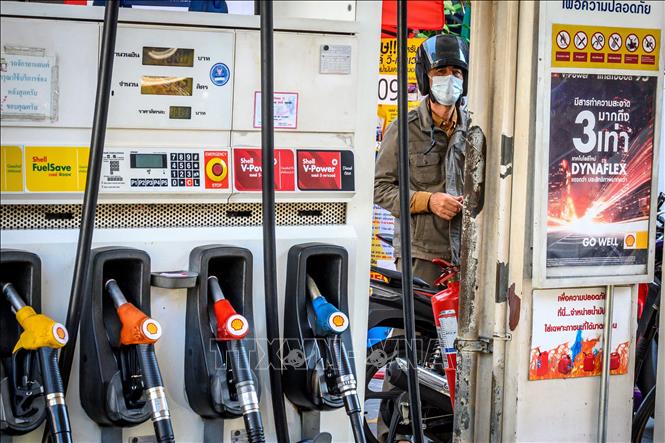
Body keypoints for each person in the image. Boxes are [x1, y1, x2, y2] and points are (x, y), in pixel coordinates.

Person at [374, 34, 469, 286]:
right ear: (425, 77)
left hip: (467, 254)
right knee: (418, 314)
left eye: (456, 72)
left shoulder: (474, 130)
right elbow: (379, 188)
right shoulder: (403, 129)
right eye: (441, 71)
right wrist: (428, 201)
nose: (450, 78)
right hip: (421, 256)